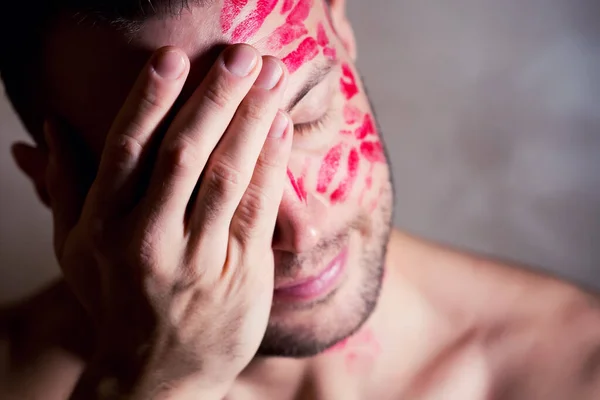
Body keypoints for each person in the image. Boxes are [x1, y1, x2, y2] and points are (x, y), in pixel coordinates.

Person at [1, 0, 599, 398]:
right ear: (52, 184)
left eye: (307, 114)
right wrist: (158, 382)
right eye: (180, 179)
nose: (301, 228)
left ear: (340, 29)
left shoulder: (574, 371)